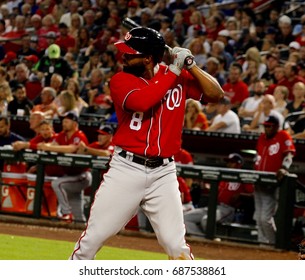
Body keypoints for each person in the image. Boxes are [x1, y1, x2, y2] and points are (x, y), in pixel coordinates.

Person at [69, 26, 224, 260]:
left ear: (149, 58)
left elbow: (216, 95)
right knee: (93, 239)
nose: (125, 57)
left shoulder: (178, 75)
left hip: (164, 172)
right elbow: (143, 101)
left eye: (131, 54)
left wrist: (192, 65)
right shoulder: (121, 80)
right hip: (126, 169)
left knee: (176, 245)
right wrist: (173, 70)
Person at [37, 112, 92, 223]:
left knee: (57, 183)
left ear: (75, 123)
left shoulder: (79, 135)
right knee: (78, 216)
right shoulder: (62, 135)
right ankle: (79, 225)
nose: (63, 123)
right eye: (63, 121)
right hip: (70, 177)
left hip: (82, 176)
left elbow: (71, 149)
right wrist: (48, 147)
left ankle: (66, 212)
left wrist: (50, 148)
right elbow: (51, 145)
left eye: (67, 121)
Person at [183, 153, 254, 237]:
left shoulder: (243, 177)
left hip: (229, 209)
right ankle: (201, 239)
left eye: (232, 162)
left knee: (206, 220)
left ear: (238, 164)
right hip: (215, 207)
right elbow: (218, 192)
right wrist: (207, 188)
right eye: (228, 162)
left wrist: (240, 195)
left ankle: (211, 241)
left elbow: (252, 194)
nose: (229, 164)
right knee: (185, 218)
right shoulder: (224, 176)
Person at [254, 115, 296, 245]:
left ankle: (274, 244)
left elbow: (289, 155)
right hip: (259, 181)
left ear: (276, 126)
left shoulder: (283, 135)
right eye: (265, 126)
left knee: (265, 218)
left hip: (273, 182)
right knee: (258, 218)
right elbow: (258, 158)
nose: (266, 128)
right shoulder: (262, 138)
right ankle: (262, 245)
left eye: (269, 126)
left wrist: (284, 167)